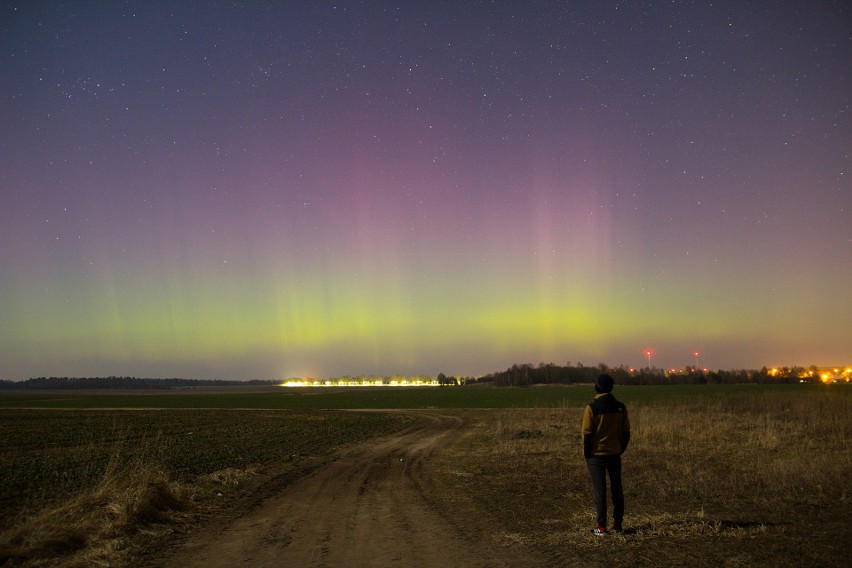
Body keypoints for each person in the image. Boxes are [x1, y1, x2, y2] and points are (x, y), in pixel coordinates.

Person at [581, 373, 631, 535]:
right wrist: (620, 448)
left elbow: (587, 433)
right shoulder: (620, 407)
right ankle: (618, 524)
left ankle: (601, 527)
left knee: (600, 490)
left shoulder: (592, 408)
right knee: (617, 488)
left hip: (596, 455)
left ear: (597, 387)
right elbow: (626, 432)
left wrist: (587, 453)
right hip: (614, 453)